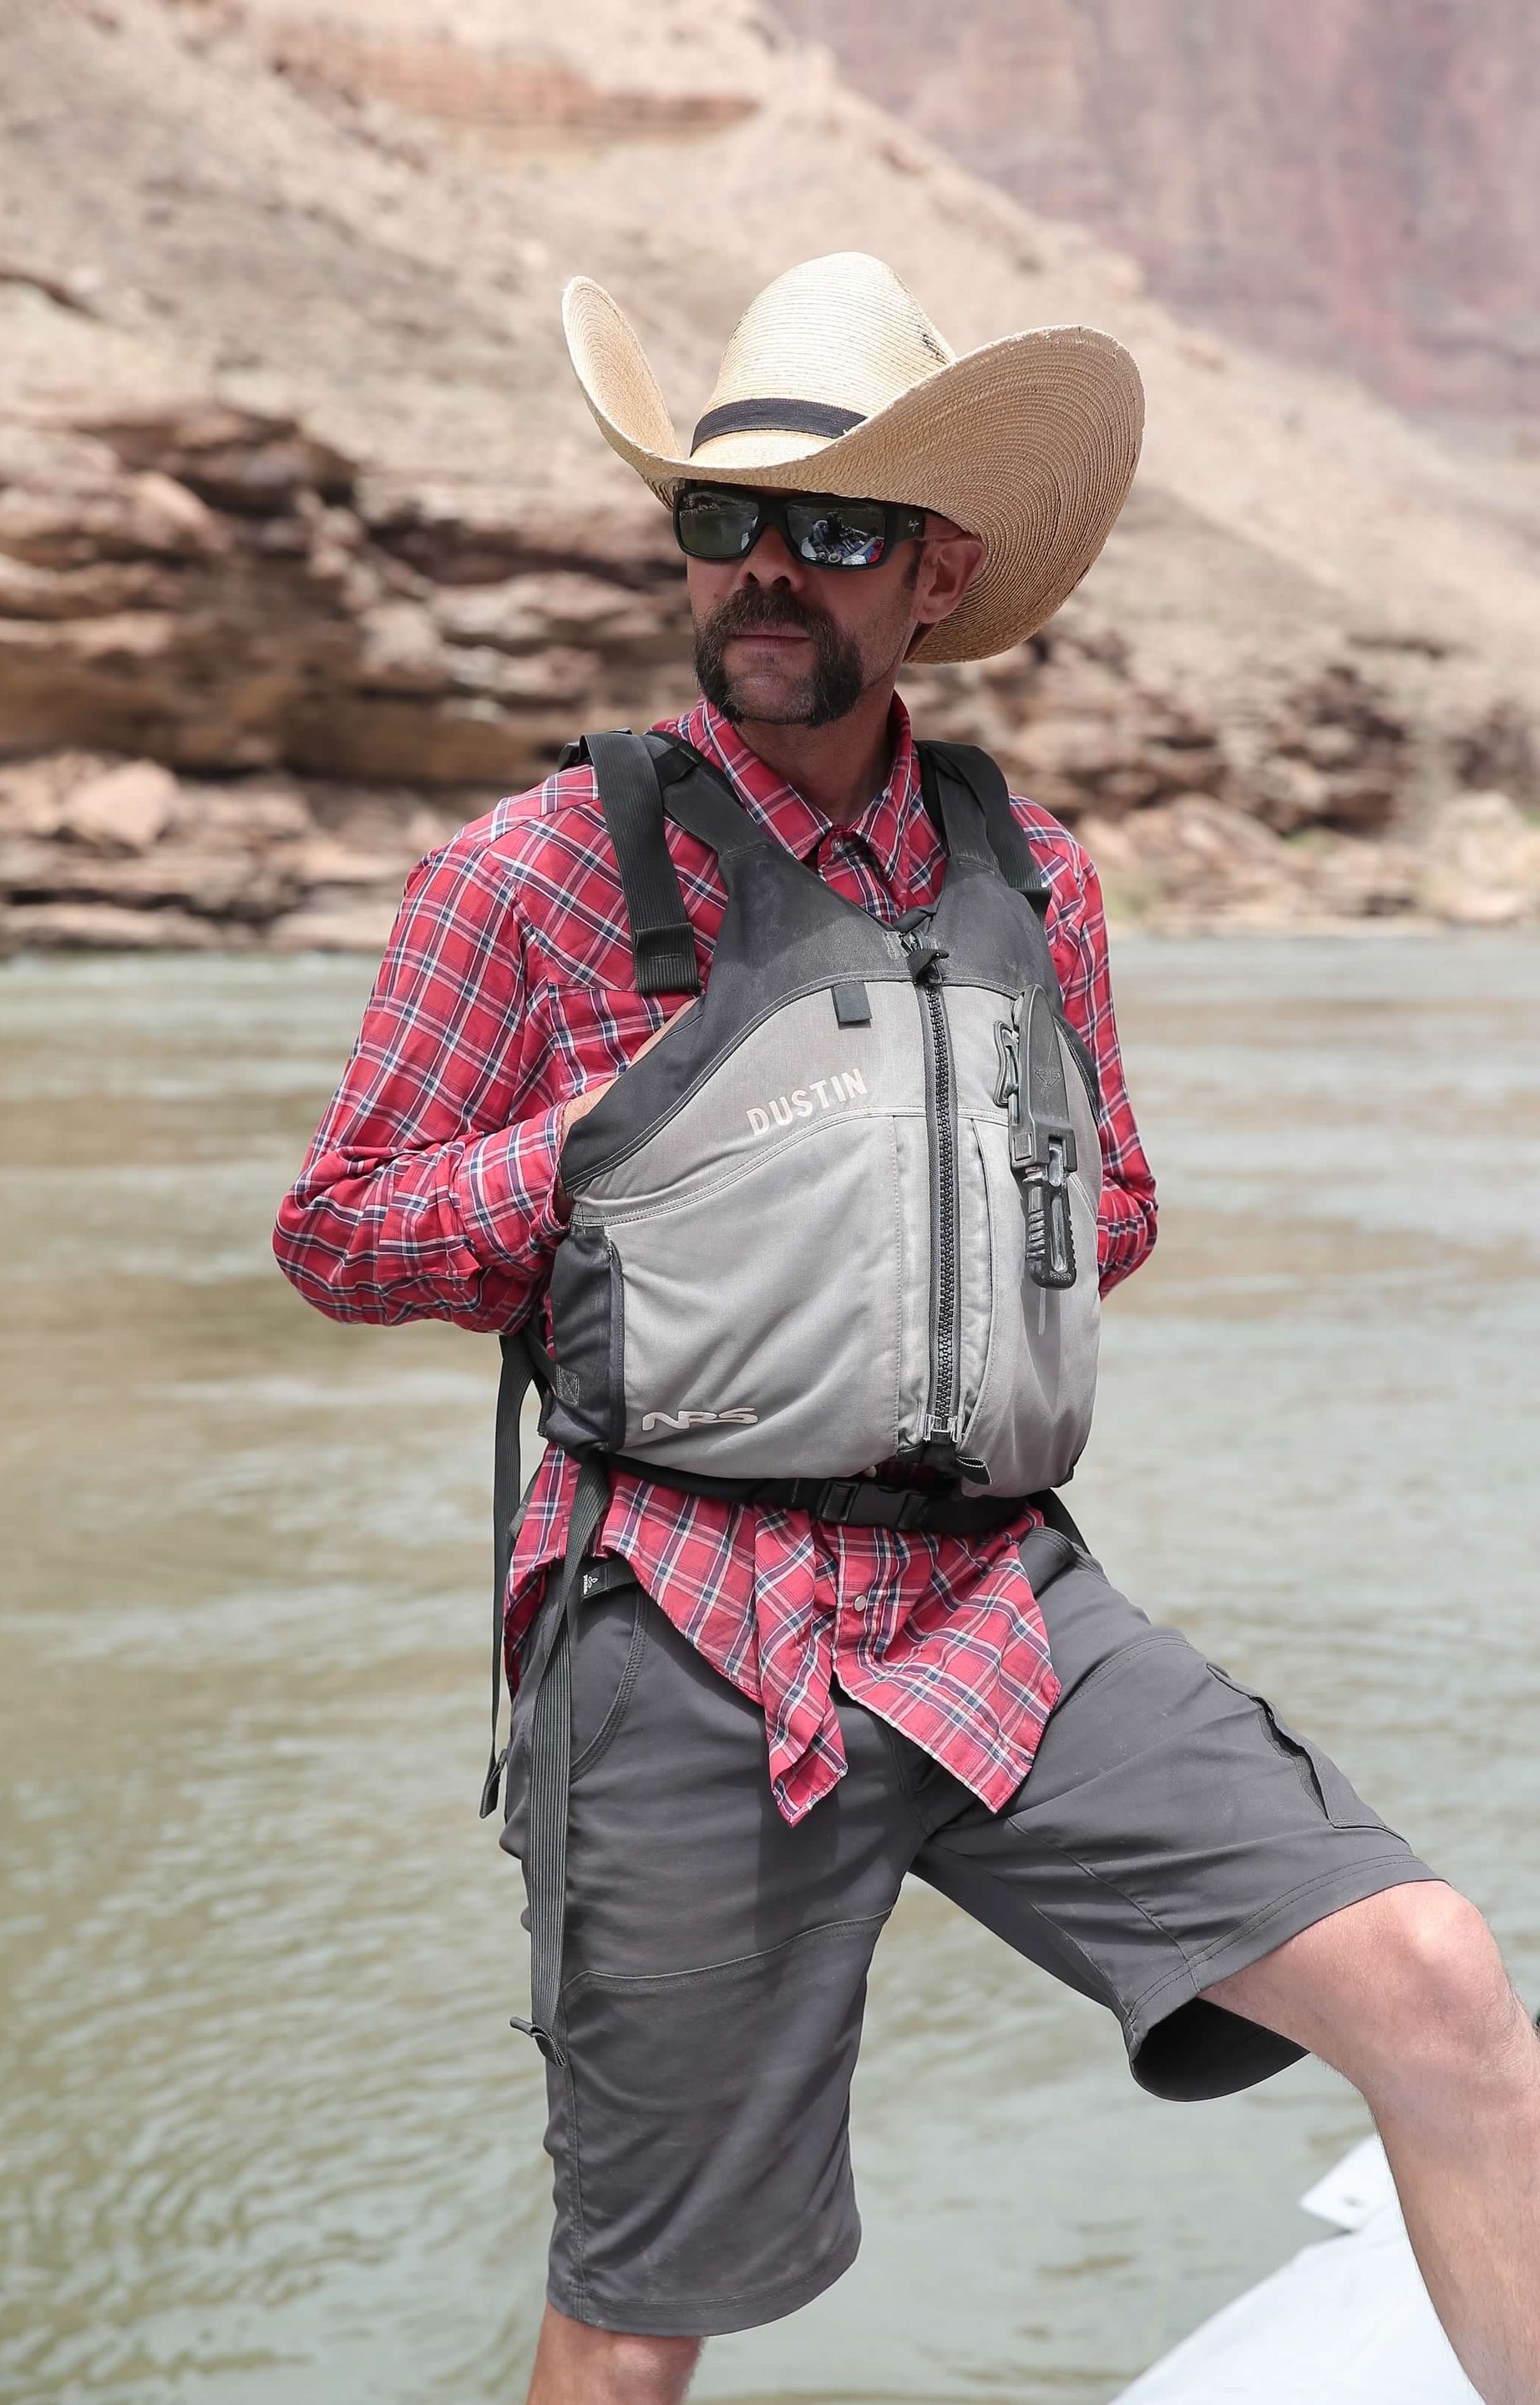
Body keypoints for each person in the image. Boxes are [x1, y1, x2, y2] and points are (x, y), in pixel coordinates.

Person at [274, 253, 1540, 2405]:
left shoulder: (1033, 874)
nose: (768, 570)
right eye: (723, 522)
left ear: (935, 573)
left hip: (993, 1609)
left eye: (835, 530)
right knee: (637, 2313)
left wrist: (926, 1215)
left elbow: (1111, 1199)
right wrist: (613, 1159)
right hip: (679, 1625)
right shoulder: (530, 873)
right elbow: (340, 1229)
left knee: (1437, 1984)